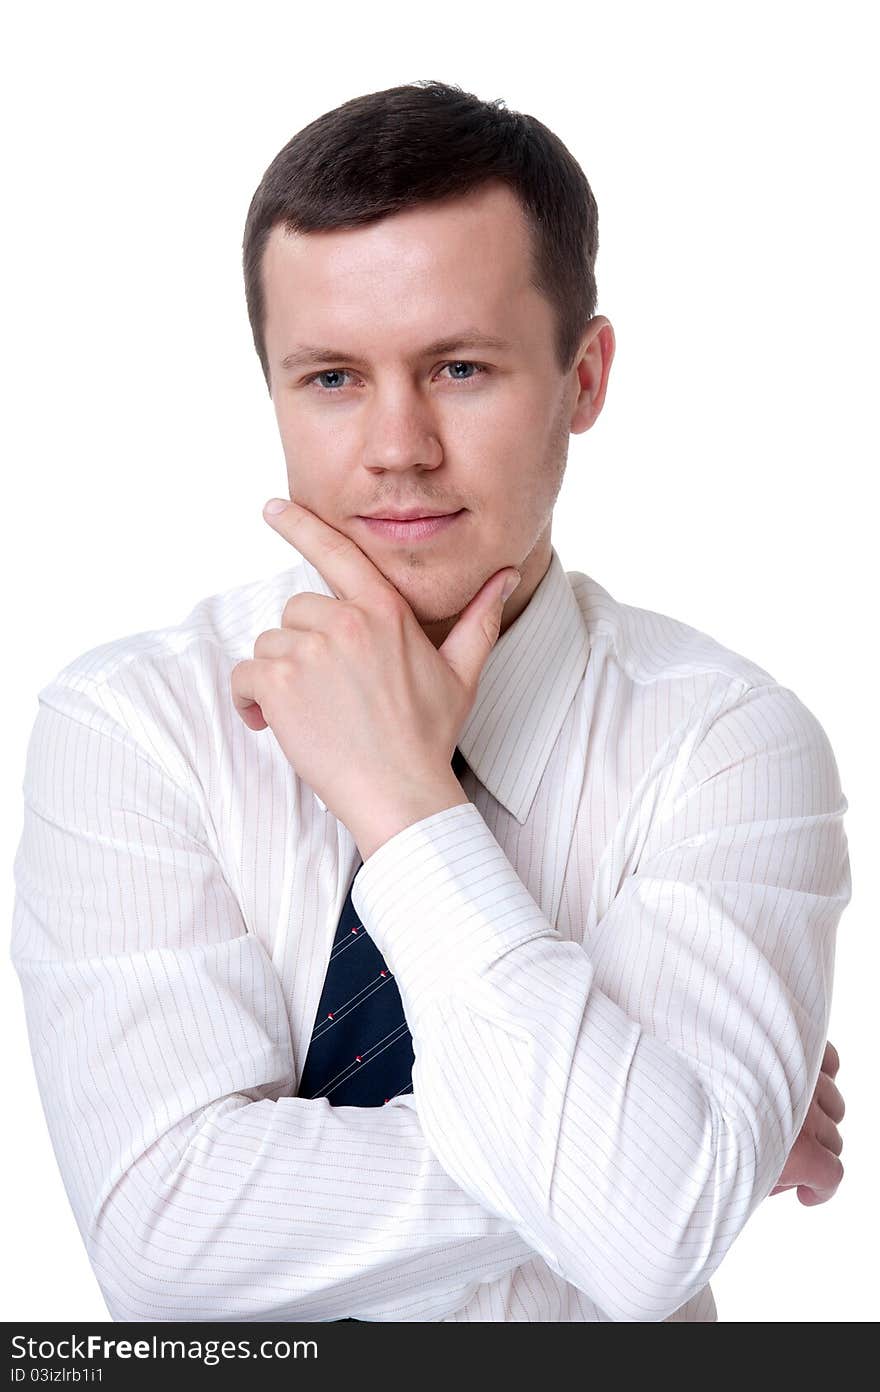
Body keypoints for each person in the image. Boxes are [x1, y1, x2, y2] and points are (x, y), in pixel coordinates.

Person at [10, 79, 850, 1323]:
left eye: (459, 367)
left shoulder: (724, 745)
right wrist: (663, 1155)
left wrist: (403, 809)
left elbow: (657, 1243)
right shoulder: (134, 725)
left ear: (585, 377)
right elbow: (163, 1245)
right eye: (333, 378)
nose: (396, 446)